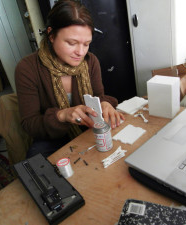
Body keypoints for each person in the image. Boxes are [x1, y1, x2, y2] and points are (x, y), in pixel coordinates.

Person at [15, 0, 125, 158]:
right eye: (72, 43)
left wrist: (105, 103)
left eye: (86, 44)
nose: (80, 52)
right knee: (36, 160)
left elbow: (98, 97)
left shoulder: (90, 61)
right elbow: (30, 125)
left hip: (88, 128)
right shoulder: (27, 68)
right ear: (51, 35)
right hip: (53, 137)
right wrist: (62, 115)